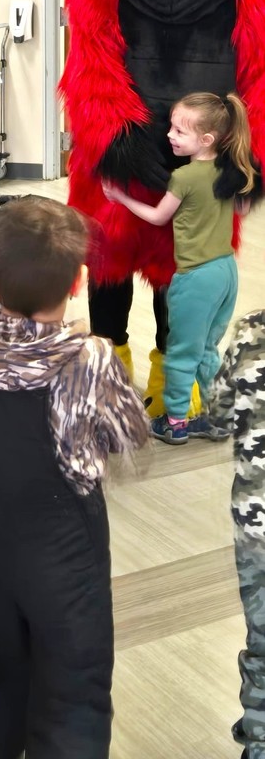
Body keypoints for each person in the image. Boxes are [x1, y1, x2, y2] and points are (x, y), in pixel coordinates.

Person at [0, 196, 149, 759]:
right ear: (80, 281)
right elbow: (128, 437)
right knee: (73, 687)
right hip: (64, 554)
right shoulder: (90, 358)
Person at [103, 91, 257, 445]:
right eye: (171, 127)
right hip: (225, 273)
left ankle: (175, 422)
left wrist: (121, 197)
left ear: (206, 139)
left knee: (182, 352)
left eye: (179, 131)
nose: (169, 135)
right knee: (206, 348)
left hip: (195, 276)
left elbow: (158, 217)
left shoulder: (185, 177)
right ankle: (218, 417)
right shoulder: (229, 169)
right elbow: (242, 211)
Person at [208, 310, 265, 759]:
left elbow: (219, 411)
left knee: (263, 643)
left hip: (256, 526)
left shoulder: (251, 330)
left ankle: (260, 739)